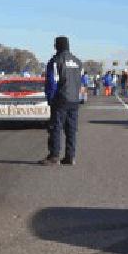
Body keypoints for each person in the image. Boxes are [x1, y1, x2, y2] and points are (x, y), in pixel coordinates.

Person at [39, 36, 83, 166]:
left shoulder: (55, 61)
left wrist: (50, 99)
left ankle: (54, 155)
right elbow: (80, 82)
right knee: (71, 129)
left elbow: (51, 83)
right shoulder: (78, 62)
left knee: (55, 128)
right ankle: (70, 156)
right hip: (74, 99)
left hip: (60, 99)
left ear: (57, 46)